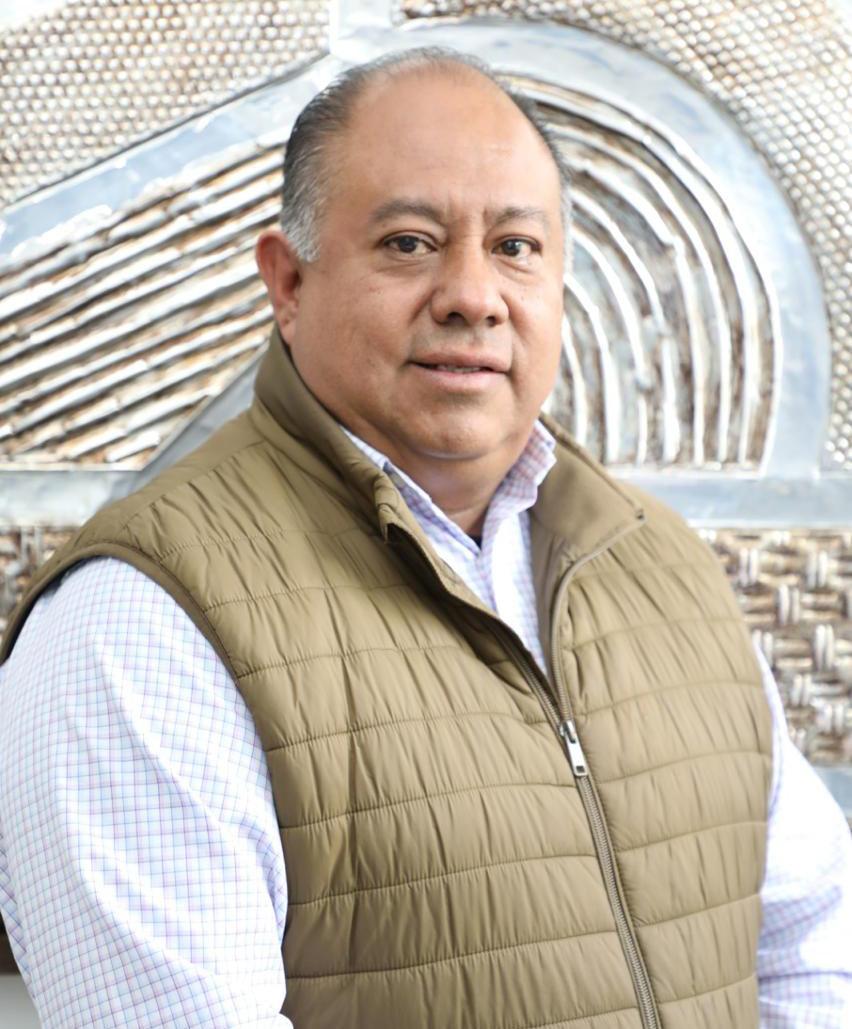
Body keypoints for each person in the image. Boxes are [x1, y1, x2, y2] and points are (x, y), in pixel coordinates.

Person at [0, 47, 850, 1029]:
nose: (473, 295)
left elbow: (815, 957)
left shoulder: (660, 567)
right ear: (288, 281)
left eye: (516, 247)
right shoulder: (136, 622)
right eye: (409, 243)